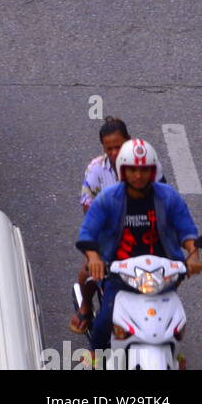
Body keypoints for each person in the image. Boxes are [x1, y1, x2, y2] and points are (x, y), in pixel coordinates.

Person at [76, 138, 202, 352]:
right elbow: (87, 233)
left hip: (163, 274)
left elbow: (187, 230)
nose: (138, 175)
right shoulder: (108, 198)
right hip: (120, 274)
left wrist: (193, 253)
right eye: (132, 170)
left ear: (153, 171)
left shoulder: (169, 197)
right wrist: (95, 257)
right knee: (104, 323)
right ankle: (94, 357)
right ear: (122, 171)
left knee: (175, 324)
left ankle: (175, 355)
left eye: (144, 170)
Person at [69, 117, 130, 334]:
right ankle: (86, 306)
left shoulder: (144, 165)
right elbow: (88, 207)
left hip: (142, 233)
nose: (114, 153)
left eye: (119, 147)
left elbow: (163, 200)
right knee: (89, 272)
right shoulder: (96, 169)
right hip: (106, 236)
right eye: (109, 148)